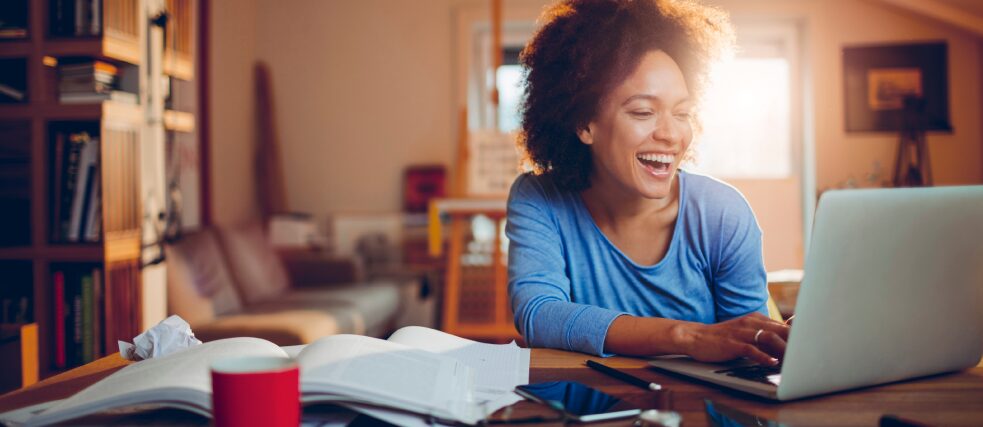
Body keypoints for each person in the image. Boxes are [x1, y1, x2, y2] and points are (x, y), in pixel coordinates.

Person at [507, 0, 789, 365]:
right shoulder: (539, 198)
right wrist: (684, 335)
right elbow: (539, 314)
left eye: (682, 113)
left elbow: (749, 349)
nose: (671, 134)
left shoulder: (722, 213)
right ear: (584, 123)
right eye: (643, 112)